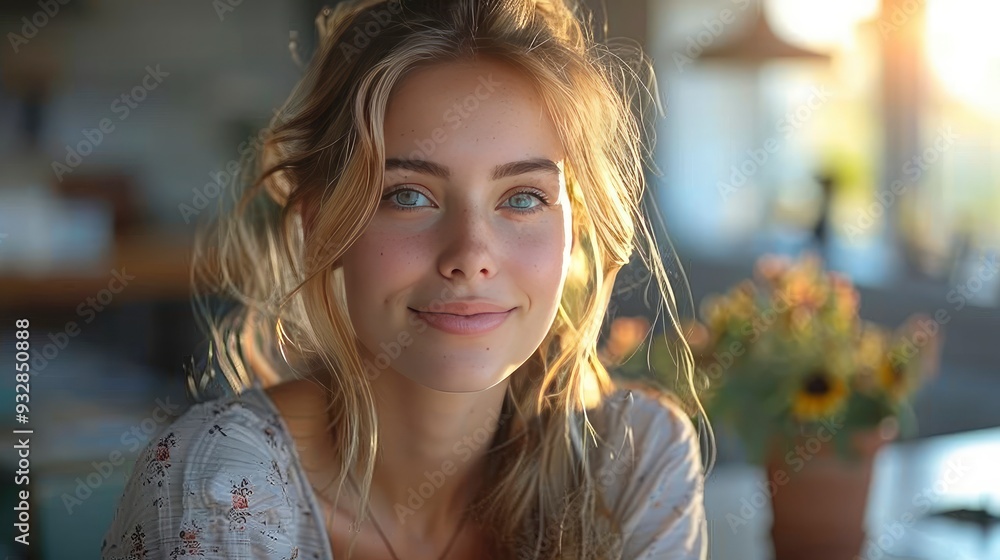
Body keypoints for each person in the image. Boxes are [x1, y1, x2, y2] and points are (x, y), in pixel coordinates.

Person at [102, 0, 713, 558]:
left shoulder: (634, 460)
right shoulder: (219, 484)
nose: (471, 255)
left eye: (523, 198)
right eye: (409, 195)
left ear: (574, 227)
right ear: (322, 225)